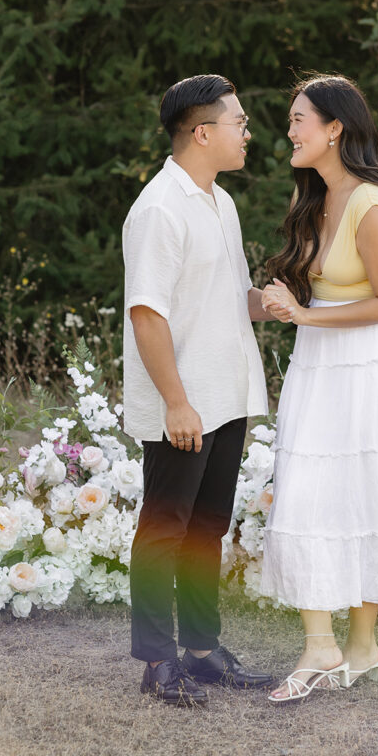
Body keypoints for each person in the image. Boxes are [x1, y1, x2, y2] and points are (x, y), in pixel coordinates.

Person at [260, 73, 378, 703]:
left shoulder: (372, 202)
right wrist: (274, 307)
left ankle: (360, 648)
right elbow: (307, 294)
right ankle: (322, 645)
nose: (289, 131)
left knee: (366, 492)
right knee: (310, 490)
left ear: (334, 128)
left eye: (297, 119)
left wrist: (306, 316)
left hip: (370, 366)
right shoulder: (313, 200)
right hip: (319, 365)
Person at [122, 73, 275, 707]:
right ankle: (158, 662)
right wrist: (177, 403)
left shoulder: (220, 201)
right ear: (203, 132)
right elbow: (146, 313)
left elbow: (229, 300)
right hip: (183, 403)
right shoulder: (159, 208)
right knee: (165, 528)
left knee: (207, 528)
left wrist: (273, 304)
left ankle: (204, 652)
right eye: (239, 122)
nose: (249, 132)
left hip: (226, 394)